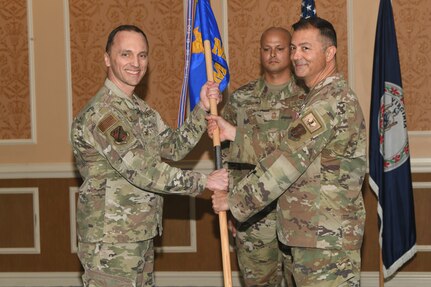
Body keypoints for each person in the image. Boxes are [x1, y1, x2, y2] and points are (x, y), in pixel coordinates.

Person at [209, 16, 366, 287]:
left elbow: (286, 162)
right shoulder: (322, 97)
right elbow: (286, 146)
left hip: (324, 240)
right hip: (316, 235)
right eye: (293, 48)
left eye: (306, 48)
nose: (296, 56)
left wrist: (235, 202)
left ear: (329, 53)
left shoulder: (326, 102)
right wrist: (235, 134)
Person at [71, 24, 228, 287]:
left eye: (142, 55)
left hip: (138, 233)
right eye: (126, 54)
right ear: (107, 59)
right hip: (111, 241)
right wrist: (204, 182)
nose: (136, 63)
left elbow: (174, 147)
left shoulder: (140, 111)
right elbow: (144, 171)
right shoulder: (103, 114)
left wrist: (202, 108)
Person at [220, 27, 306, 287]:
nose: (272, 55)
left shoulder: (308, 98)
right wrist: (234, 207)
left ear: (290, 52)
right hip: (254, 216)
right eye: (266, 49)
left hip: (298, 212)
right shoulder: (241, 99)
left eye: (280, 49)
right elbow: (228, 157)